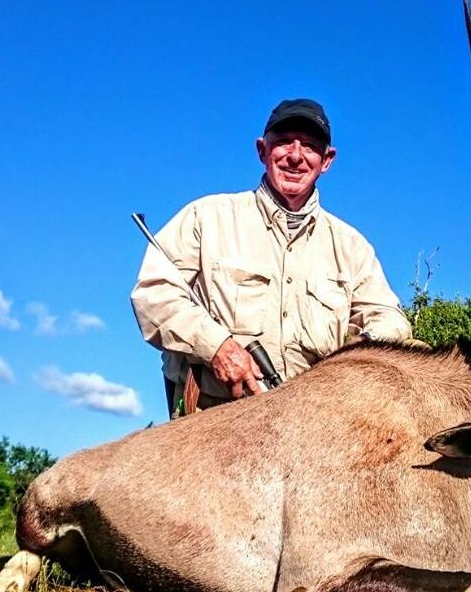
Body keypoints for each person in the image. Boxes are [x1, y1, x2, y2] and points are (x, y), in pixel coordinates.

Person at [131, 98, 412, 416]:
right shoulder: (205, 217)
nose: (295, 156)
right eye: (282, 143)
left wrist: (359, 350)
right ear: (262, 150)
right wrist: (215, 346)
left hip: (316, 427)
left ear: (327, 160)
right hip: (212, 424)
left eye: (309, 146)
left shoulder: (352, 247)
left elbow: (390, 319)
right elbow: (154, 294)